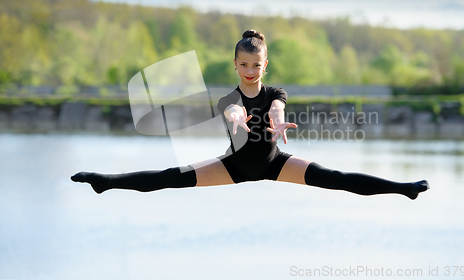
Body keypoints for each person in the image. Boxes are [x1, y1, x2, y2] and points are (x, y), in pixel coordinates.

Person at [71, 30, 429, 199]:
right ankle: (107, 181)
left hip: (275, 162)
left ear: (264, 64)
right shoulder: (228, 97)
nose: (250, 70)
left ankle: (403, 189)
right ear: (236, 64)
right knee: (170, 177)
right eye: (244, 64)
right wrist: (238, 119)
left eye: (256, 65)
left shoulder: (275, 93)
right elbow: (233, 110)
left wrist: (275, 116)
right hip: (235, 165)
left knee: (336, 177)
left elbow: (277, 104)